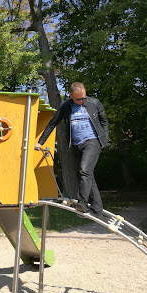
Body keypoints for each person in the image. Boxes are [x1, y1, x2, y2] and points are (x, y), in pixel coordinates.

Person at [34, 82, 109, 217]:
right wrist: (40, 142)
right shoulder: (66, 106)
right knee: (87, 175)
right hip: (76, 145)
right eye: (78, 99)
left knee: (84, 170)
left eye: (83, 98)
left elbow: (104, 121)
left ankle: (82, 203)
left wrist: (104, 140)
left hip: (92, 142)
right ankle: (97, 209)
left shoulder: (94, 103)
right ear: (71, 96)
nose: (81, 101)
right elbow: (52, 124)